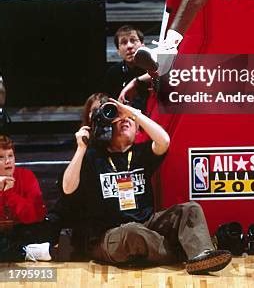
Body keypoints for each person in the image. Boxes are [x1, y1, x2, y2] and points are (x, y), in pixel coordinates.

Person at [62, 99, 232, 273]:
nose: (125, 120)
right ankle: (183, 253)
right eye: (119, 119)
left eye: (130, 120)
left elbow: (164, 141)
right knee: (132, 233)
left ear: (138, 130)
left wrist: (132, 112)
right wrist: (81, 147)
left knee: (190, 209)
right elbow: (67, 187)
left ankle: (202, 254)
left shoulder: (141, 153)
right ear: (109, 127)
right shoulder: (93, 157)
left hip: (147, 225)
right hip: (109, 234)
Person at [104, 25, 153, 113]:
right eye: (124, 42)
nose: (129, 46)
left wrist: (135, 81)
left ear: (143, 45)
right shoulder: (113, 73)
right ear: (118, 51)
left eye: (133, 40)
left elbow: (163, 71)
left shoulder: (154, 63)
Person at [0, 135, 46, 226]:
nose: (8, 161)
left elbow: (34, 217)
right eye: (1, 157)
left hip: (24, 234)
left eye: (10, 155)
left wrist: (9, 193)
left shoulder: (27, 177)